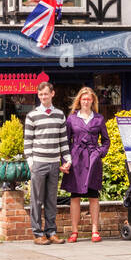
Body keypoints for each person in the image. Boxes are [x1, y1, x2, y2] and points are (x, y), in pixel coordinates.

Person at [24, 81, 71, 245]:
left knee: (51, 200)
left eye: (46, 94)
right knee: (36, 200)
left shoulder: (60, 115)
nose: (43, 97)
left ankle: (51, 232)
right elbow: (27, 143)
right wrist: (31, 163)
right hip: (38, 163)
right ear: (38, 95)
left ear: (52, 94)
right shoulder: (32, 116)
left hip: (54, 164)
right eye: (41, 94)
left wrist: (68, 160)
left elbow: (63, 141)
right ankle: (38, 234)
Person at [62, 86, 111, 243]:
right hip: (76, 160)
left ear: (92, 101)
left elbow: (106, 140)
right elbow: (65, 142)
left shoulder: (99, 119)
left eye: (89, 99)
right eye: (83, 99)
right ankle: (74, 231)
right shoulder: (71, 118)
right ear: (79, 101)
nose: (86, 101)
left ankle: (95, 231)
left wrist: (99, 153)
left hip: (92, 159)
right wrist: (65, 161)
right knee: (75, 196)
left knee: (93, 196)